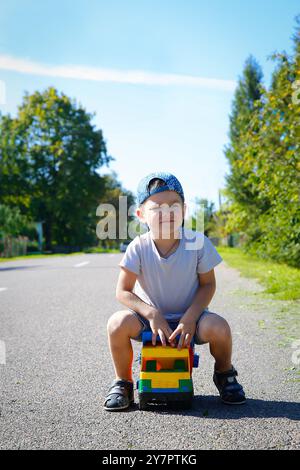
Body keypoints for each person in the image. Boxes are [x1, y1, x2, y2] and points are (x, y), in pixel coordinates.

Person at [104, 171, 246, 411]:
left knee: (219, 327)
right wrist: (151, 314)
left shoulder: (197, 242)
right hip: (147, 321)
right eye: (157, 208)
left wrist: (190, 318)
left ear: (184, 210)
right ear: (141, 215)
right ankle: (124, 383)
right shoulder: (138, 246)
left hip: (192, 317)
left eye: (174, 206)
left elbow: (208, 285)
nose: (166, 213)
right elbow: (123, 291)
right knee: (116, 324)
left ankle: (224, 374)